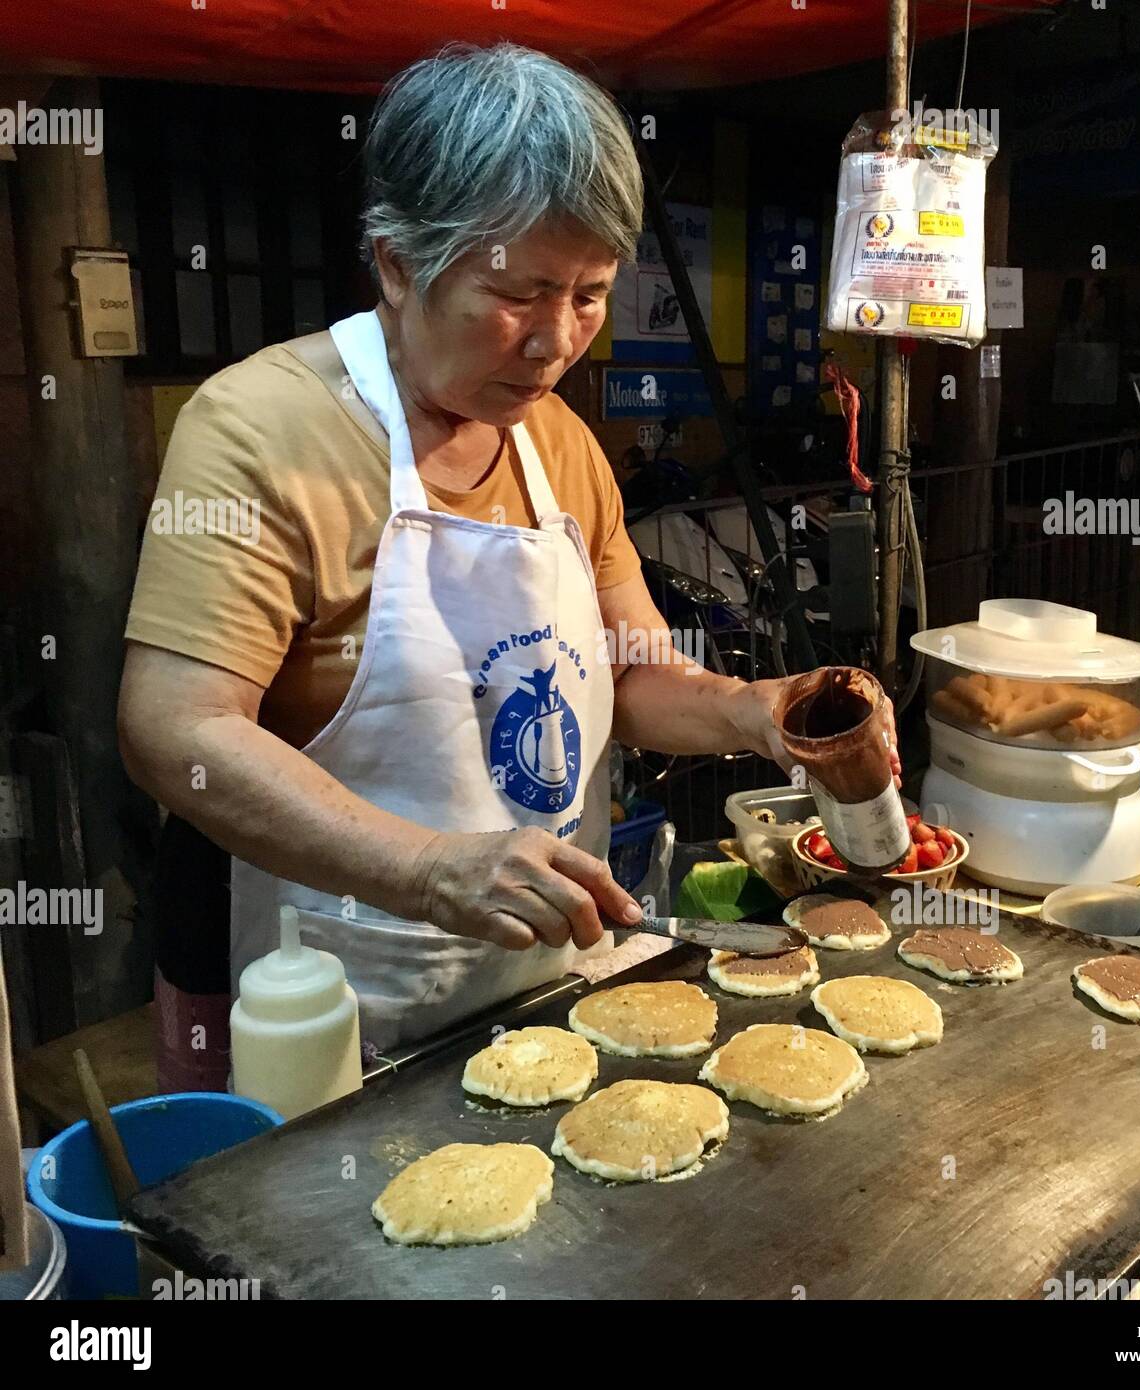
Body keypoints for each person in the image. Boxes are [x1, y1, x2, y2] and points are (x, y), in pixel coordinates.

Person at [118, 44, 900, 1076]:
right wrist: (431, 868)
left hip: (538, 986)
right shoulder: (263, 429)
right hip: (327, 1006)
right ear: (396, 263)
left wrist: (756, 708)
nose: (555, 341)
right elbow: (176, 728)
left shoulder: (558, 443)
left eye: (588, 293)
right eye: (518, 291)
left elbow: (633, 675)